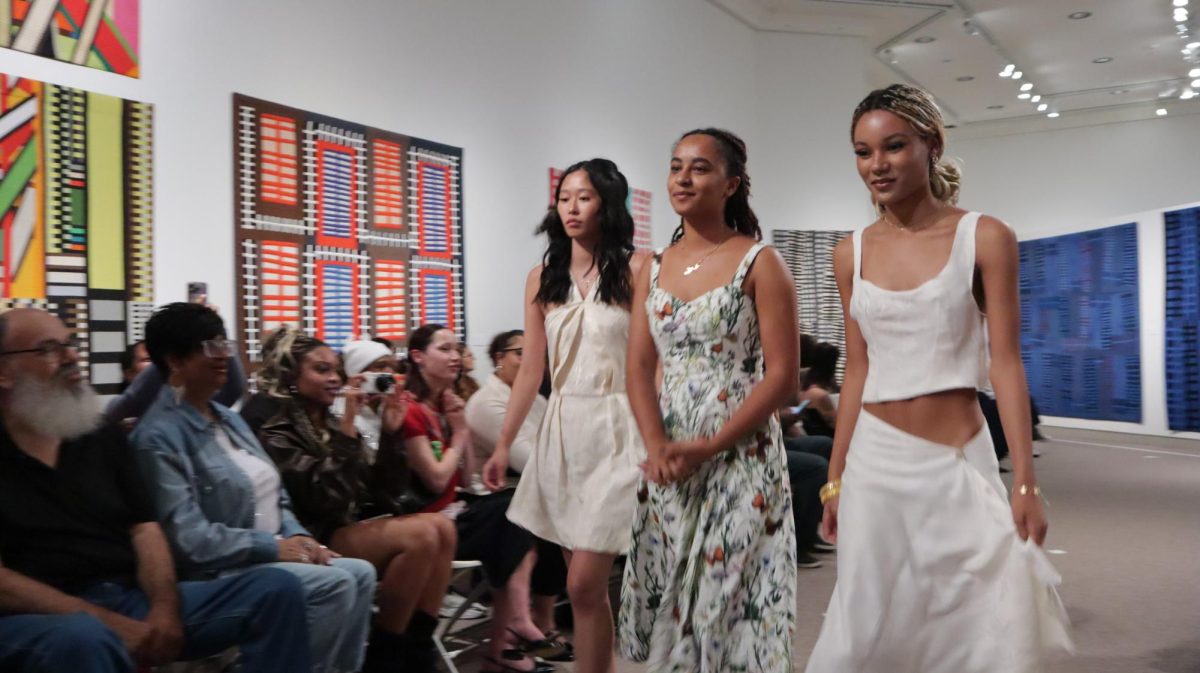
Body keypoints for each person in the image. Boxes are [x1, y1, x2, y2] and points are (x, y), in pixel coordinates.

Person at [805, 84, 1073, 673]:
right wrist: (835, 475)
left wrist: (1025, 480)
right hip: (875, 462)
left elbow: (1006, 361)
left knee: (973, 625)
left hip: (957, 459)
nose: (877, 165)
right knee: (867, 627)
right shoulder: (849, 253)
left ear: (931, 145)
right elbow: (859, 367)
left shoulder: (985, 236)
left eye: (894, 146)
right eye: (863, 151)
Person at [0, 308, 311, 673]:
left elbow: (145, 528)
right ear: (4, 371)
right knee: (82, 638)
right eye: (48, 349)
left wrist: (165, 609)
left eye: (70, 345)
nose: (70, 357)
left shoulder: (98, 436)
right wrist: (103, 620)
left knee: (276, 590)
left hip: (126, 598)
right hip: (33, 617)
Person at [618, 128, 798, 672]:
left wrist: (712, 443)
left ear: (731, 184)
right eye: (676, 167)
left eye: (699, 168)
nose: (683, 178)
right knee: (673, 594)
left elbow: (784, 376)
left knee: (724, 603)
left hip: (740, 453)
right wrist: (657, 442)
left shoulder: (760, 262)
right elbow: (639, 365)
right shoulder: (649, 266)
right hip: (671, 458)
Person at [129, 303, 377, 673]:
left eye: (223, 344)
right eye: (208, 348)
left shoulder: (227, 418)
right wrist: (275, 547)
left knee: (361, 573)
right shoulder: (157, 437)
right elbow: (189, 539)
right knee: (335, 585)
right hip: (223, 569)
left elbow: (276, 495)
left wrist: (301, 539)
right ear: (175, 361)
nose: (222, 357)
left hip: (272, 550)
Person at [482, 158, 649, 673]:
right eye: (564, 198)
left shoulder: (641, 267)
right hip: (563, 432)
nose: (572, 208)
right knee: (584, 593)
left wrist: (656, 439)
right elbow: (532, 369)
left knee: (582, 582)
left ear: (609, 204)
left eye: (586, 197)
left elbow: (652, 361)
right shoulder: (542, 277)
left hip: (621, 425)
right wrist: (503, 444)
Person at [253, 327, 457, 673]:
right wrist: (348, 429)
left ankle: (418, 646)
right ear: (291, 376)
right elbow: (324, 498)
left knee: (442, 529)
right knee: (421, 535)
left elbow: (386, 494)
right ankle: (386, 654)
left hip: (343, 525)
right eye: (321, 370)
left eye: (336, 369)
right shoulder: (276, 426)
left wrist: (391, 435)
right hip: (309, 533)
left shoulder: (326, 422)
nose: (335, 378)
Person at [380, 324, 569, 672]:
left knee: (521, 513)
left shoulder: (445, 404)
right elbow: (437, 480)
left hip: (453, 511)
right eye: (445, 349)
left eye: (458, 349)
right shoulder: (409, 408)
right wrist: (462, 432)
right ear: (418, 357)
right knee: (518, 509)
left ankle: (509, 639)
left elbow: (463, 478)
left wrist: (458, 428)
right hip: (425, 524)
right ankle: (518, 629)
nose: (455, 357)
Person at [466, 329, 568, 639]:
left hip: (533, 488)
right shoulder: (485, 402)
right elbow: (528, 459)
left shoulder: (534, 398)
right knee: (554, 513)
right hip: (493, 498)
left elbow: (561, 446)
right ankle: (539, 620)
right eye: (520, 353)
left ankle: (546, 617)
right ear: (499, 358)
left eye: (535, 354)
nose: (530, 361)